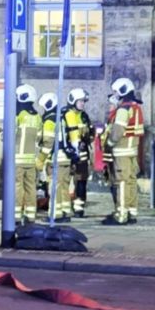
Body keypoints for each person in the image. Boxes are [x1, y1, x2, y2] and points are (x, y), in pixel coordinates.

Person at [102, 77, 147, 225]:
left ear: (122, 91)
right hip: (132, 150)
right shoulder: (135, 107)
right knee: (131, 181)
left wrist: (109, 142)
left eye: (115, 92)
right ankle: (131, 212)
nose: (114, 95)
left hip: (121, 151)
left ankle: (120, 215)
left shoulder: (123, 110)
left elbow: (118, 131)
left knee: (121, 182)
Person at [59, 88, 96, 219]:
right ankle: (64, 208)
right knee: (64, 182)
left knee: (81, 181)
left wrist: (87, 137)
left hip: (82, 155)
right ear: (73, 101)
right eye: (80, 101)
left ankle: (79, 208)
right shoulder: (66, 114)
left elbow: (91, 133)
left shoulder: (84, 116)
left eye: (83, 101)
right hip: (68, 154)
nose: (82, 104)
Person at [10, 86, 43, 228]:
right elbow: (39, 138)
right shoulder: (37, 117)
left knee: (18, 188)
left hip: (17, 159)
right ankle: (31, 217)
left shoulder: (19, 115)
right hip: (31, 160)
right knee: (31, 188)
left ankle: (16, 217)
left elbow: (10, 134)